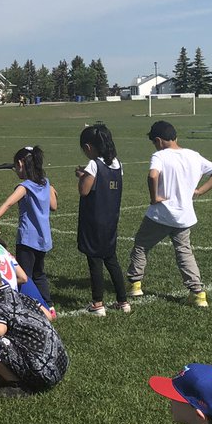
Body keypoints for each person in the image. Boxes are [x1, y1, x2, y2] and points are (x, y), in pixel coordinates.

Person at [127, 121, 212, 308]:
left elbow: (153, 175)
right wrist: (200, 191)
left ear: (158, 140)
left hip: (160, 214)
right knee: (184, 252)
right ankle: (198, 294)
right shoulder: (193, 156)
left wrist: (154, 197)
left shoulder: (160, 155)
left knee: (141, 245)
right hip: (184, 216)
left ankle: (135, 284)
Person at [0, 257, 68, 395]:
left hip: (42, 374)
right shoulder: (19, 295)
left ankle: (17, 386)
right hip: (60, 364)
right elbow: (48, 315)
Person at [0, 145, 58, 317]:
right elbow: (54, 206)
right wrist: (52, 190)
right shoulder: (45, 183)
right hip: (43, 239)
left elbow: (8, 203)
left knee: (24, 277)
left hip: (27, 239)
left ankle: (30, 307)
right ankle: (49, 306)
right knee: (39, 273)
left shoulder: (24, 186)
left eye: (15, 167)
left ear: (20, 164)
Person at [76, 124, 130, 316]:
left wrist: (82, 176)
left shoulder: (94, 164)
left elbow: (85, 190)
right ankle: (123, 301)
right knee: (111, 259)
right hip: (110, 218)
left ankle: (98, 303)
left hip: (94, 219)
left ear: (89, 147)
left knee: (95, 261)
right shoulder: (118, 164)